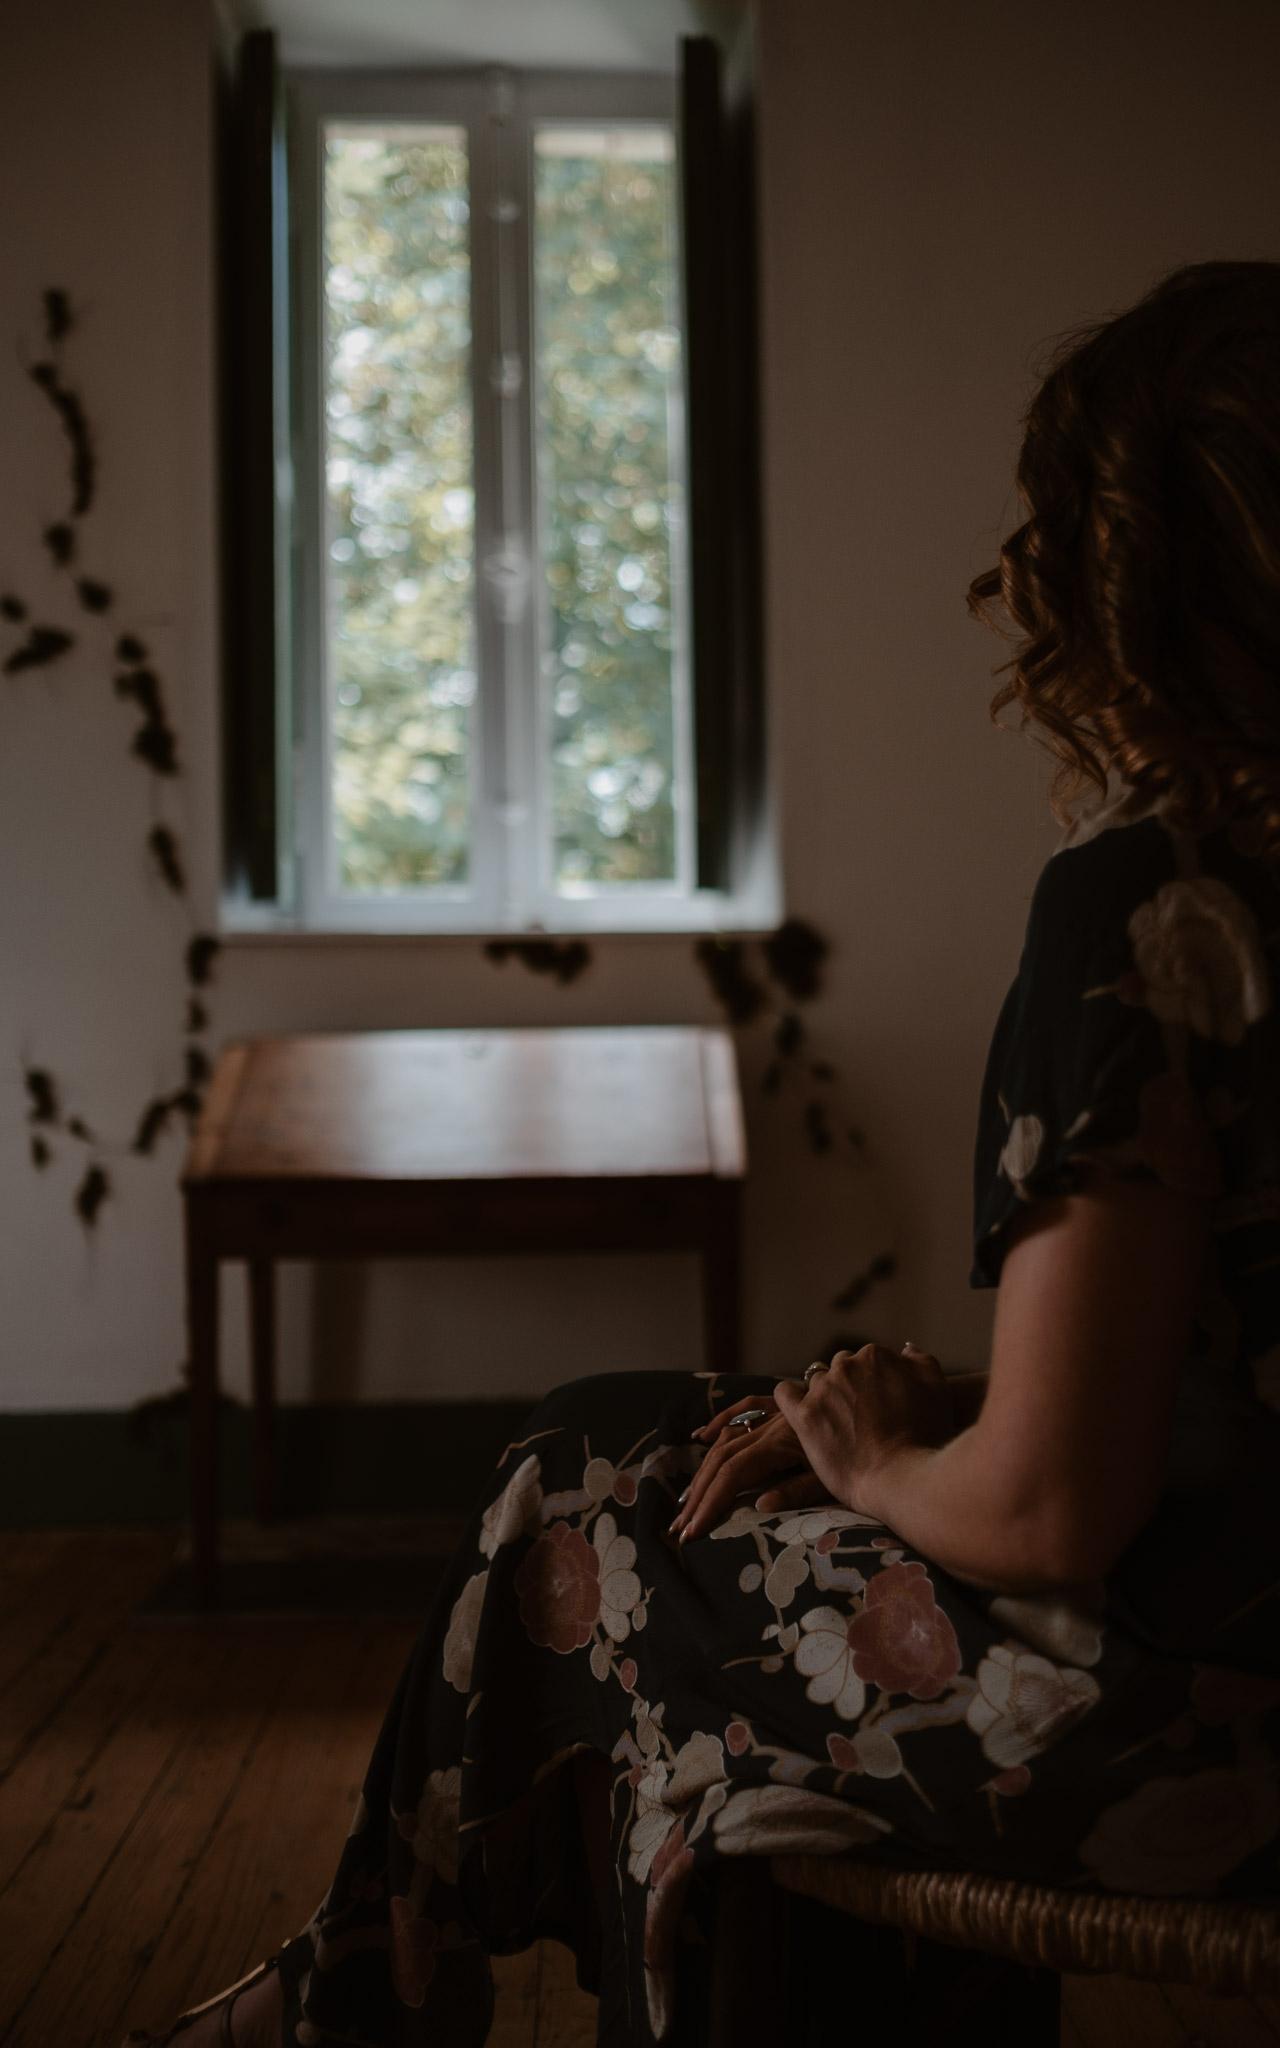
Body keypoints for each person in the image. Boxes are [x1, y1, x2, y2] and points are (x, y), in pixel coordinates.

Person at [132, 262, 1280, 2048]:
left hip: (1206, 1709)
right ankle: (364, 1968)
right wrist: (950, 1409)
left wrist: (896, 1460)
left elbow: (1056, 1512)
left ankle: (362, 1981)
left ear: (1119, 570)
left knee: (603, 1528)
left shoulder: (1157, 900)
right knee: (646, 1445)